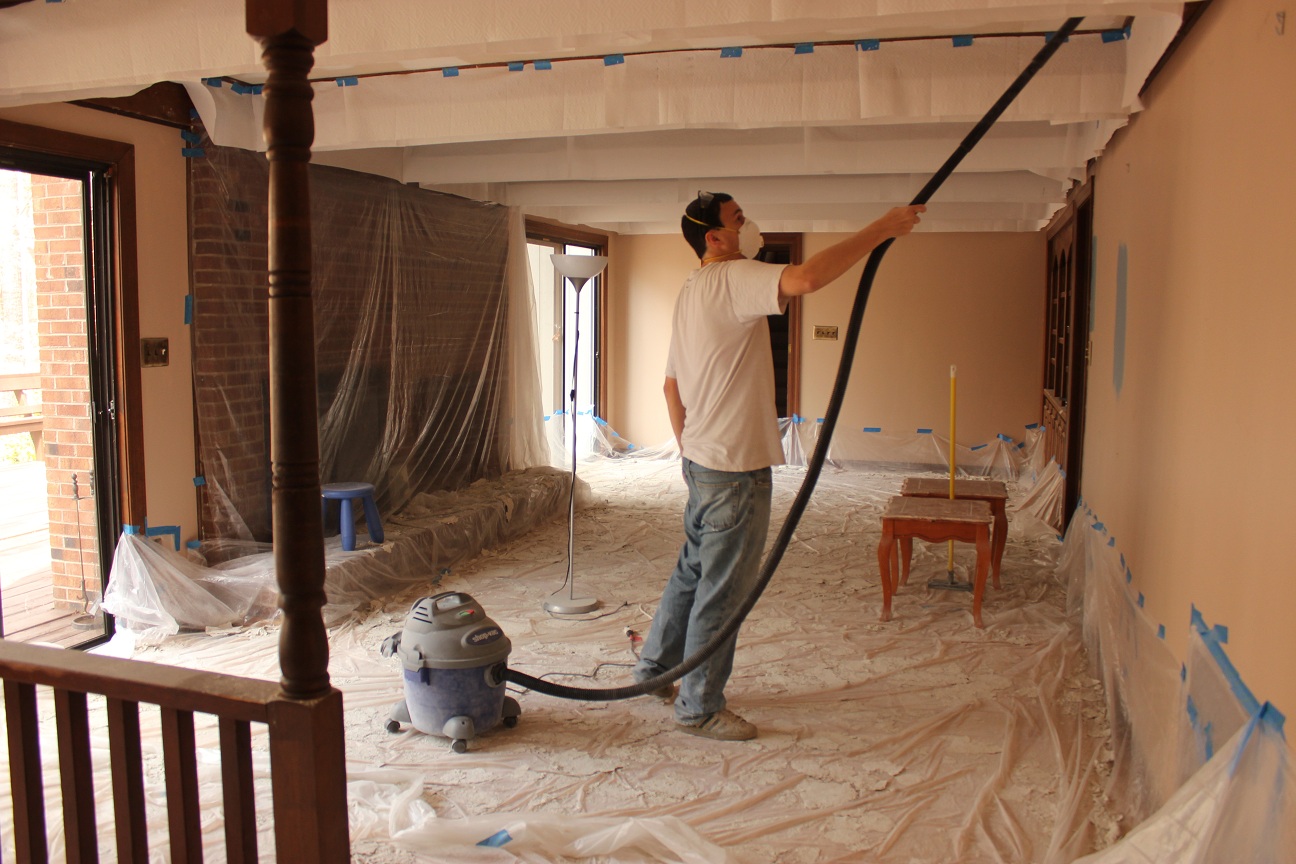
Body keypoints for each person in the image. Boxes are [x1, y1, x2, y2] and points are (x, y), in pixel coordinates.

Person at [632, 191, 926, 740]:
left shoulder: (692, 289)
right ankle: (697, 706)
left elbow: (670, 385)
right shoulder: (732, 275)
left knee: (693, 570)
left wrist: (692, 447)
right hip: (735, 468)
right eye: (737, 220)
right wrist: (882, 227)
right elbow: (809, 278)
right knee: (724, 589)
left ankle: (653, 672)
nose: (747, 225)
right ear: (714, 238)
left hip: (703, 460)